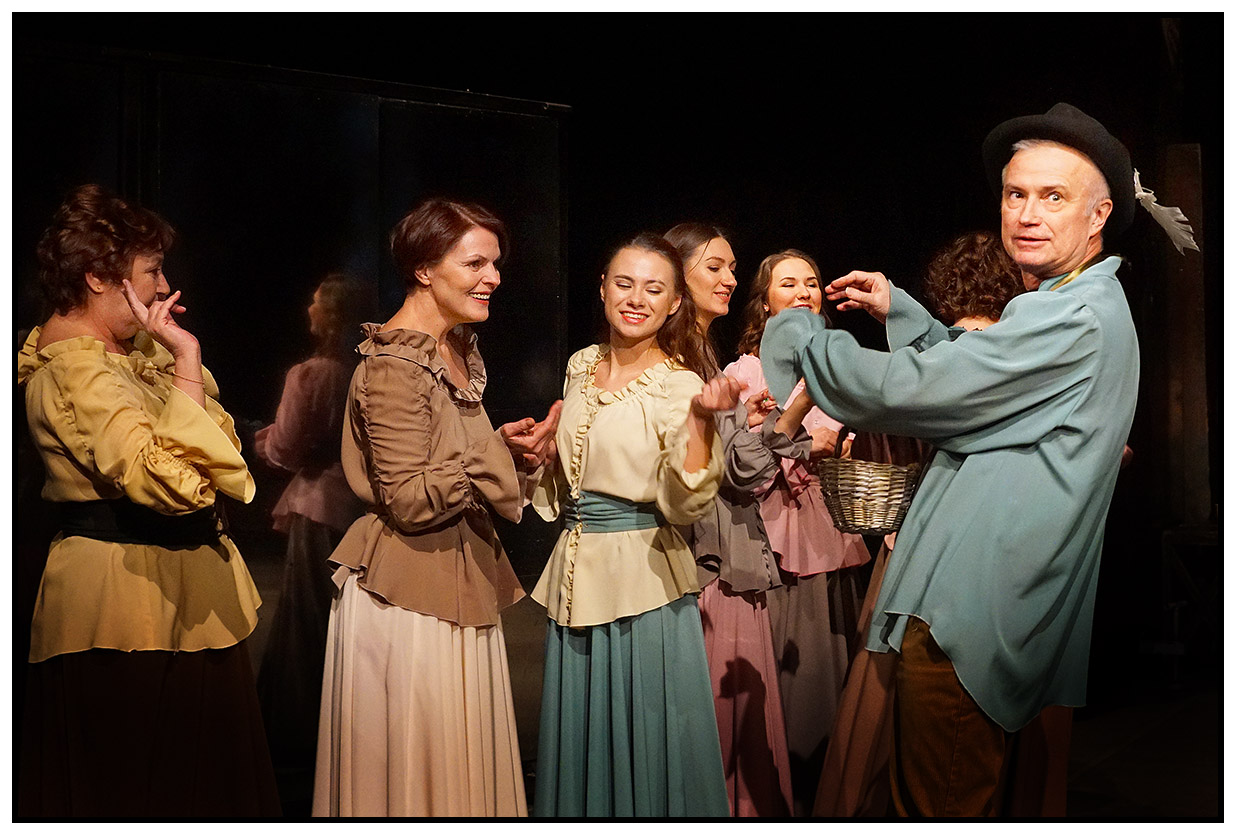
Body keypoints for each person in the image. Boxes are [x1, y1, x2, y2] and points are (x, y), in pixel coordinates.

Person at [761, 103, 1142, 816]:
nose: (1027, 213)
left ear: (1098, 215)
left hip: (970, 618)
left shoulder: (1075, 315)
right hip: (975, 608)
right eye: (1015, 193)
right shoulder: (1065, 303)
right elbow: (984, 382)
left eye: (1053, 196)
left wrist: (800, 337)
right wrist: (905, 314)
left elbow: (928, 392)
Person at [16, 184, 279, 816]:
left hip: (187, 592)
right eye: (153, 271)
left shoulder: (136, 357)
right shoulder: (73, 371)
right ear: (98, 278)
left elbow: (221, 453)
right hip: (124, 606)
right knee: (133, 791)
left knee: (204, 791)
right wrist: (186, 359)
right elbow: (171, 483)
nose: (164, 287)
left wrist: (179, 361)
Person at [312, 198, 560, 817]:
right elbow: (408, 499)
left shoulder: (453, 352)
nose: (492, 277)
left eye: (495, 264)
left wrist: (511, 454)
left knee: (457, 765)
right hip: (408, 592)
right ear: (424, 270)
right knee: (418, 771)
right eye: (474, 263)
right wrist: (491, 456)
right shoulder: (395, 367)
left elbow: (452, 466)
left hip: (456, 571)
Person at [812, 229, 1023, 818]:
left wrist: (808, 347)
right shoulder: (1001, 353)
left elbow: (892, 394)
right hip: (967, 554)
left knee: (925, 744)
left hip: (941, 561)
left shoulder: (969, 360)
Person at [530, 233, 740, 817]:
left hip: (642, 581)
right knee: (582, 740)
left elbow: (686, 503)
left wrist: (700, 424)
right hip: (576, 572)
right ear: (602, 288)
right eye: (624, 284)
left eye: (654, 289)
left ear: (675, 303)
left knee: (647, 738)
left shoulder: (680, 384)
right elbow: (574, 469)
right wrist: (540, 455)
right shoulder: (581, 365)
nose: (636, 299)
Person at [726, 248, 871, 815]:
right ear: (764, 303)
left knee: (834, 671)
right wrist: (802, 443)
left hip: (834, 530)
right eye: (788, 284)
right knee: (791, 680)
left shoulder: (840, 365)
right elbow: (739, 470)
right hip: (776, 540)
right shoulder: (743, 373)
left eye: (811, 282)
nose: (804, 291)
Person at [665, 222, 795, 817]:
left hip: (728, 541)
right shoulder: (677, 363)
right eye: (714, 266)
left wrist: (756, 423)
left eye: (733, 268)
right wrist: (787, 417)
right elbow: (733, 471)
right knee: (715, 712)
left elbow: (736, 461)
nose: (729, 279)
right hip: (705, 552)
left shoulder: (704, 354)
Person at [253, 272, 366, 815]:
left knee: (306, 623)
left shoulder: (314, 375)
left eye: (317, 301)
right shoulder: (364, 370)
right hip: (356, 509)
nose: (309, 308)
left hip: (319, 506)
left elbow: (286, 448)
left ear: (332, 315)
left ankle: (300, 740)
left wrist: (260, 441)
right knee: (340, 621)